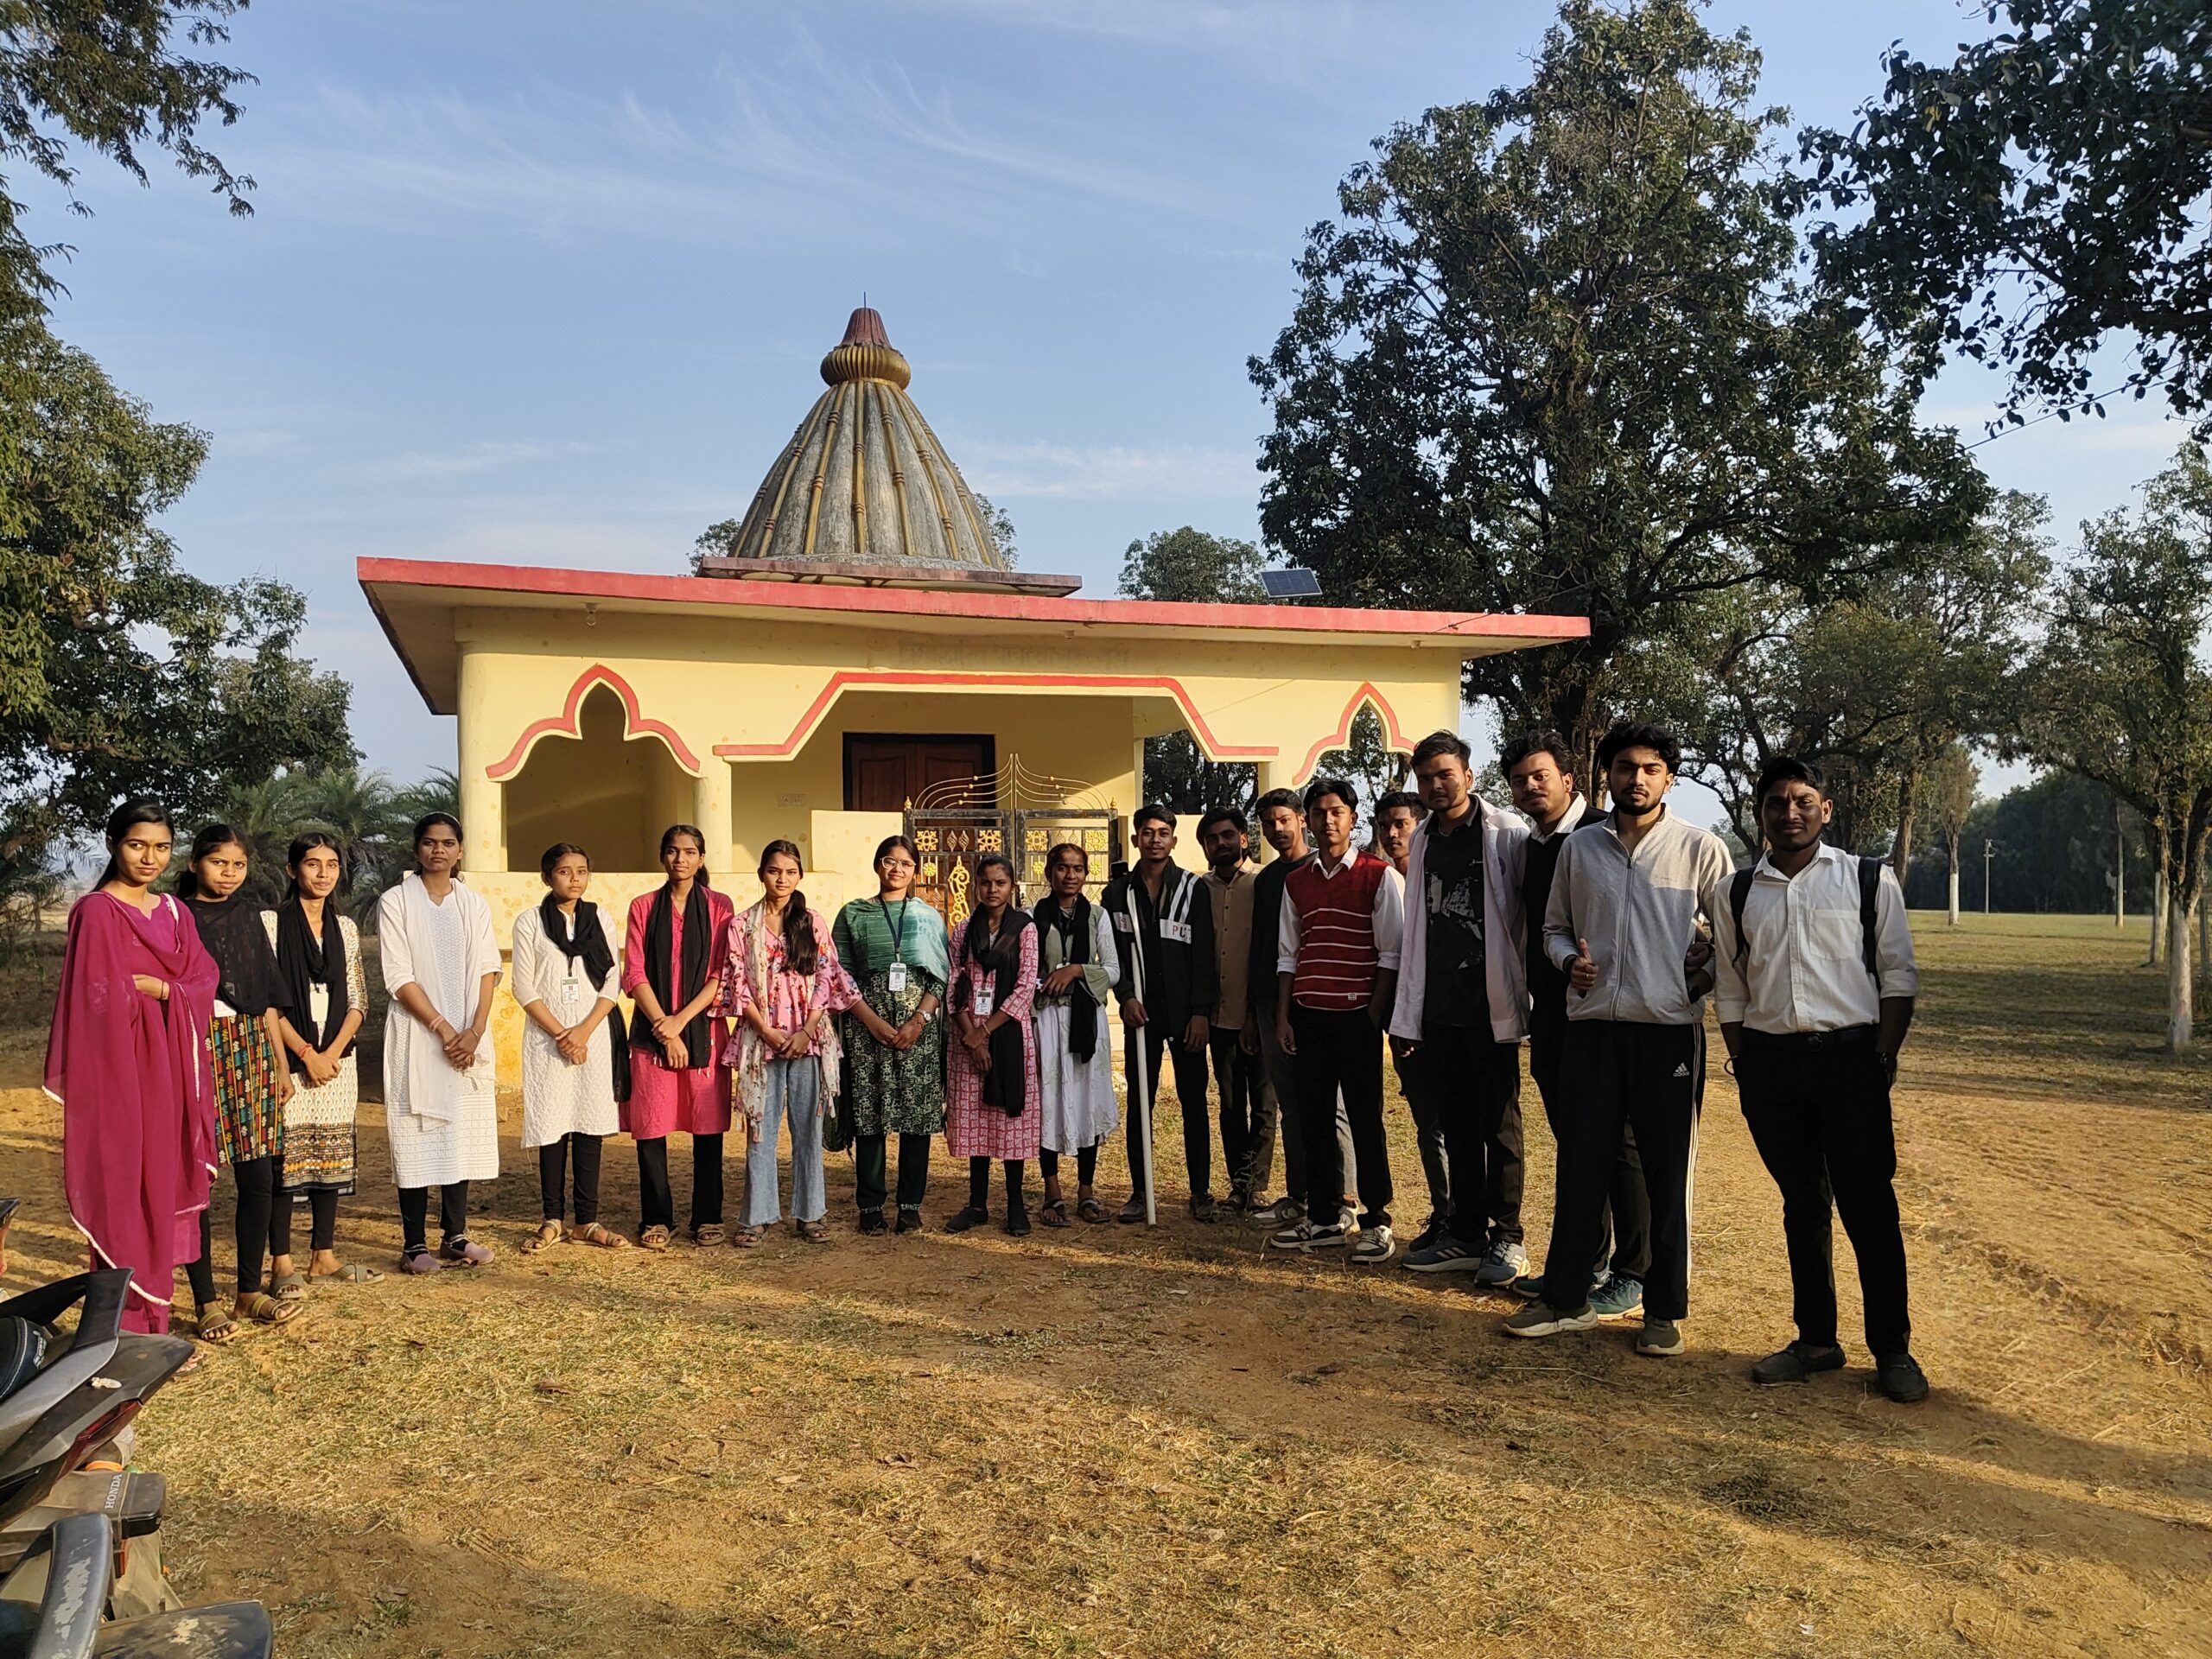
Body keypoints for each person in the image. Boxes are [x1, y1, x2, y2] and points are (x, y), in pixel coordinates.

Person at [1508, 721, 1732, 1357]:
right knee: (1582, 1167)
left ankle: (1663, 1310)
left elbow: (1734, 937)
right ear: (1605, 774)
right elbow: (1553, 928)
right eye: (1625, 767)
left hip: (1668, 1035)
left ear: (1669, 778)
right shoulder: (1581, 848)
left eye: (1651, 768)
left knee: (1666, 1174)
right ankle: (1567, 1300)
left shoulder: (1700, 848)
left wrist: (1698, 979)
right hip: (1593, 1031)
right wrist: (1566, 964)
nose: (1637, 779)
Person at [1714, 756, 1927, 1403]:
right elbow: (1731, 987)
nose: (1790, 812)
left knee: (1869, 1206)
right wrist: (1747, 1063)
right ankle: (1816, 1342)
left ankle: (1892, 1350)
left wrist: (1882, 1058)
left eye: (1803, 800)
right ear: (1760, 814)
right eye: (1776, 802)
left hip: (1851, 1062)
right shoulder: (1735, 891)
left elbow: (1898, 976)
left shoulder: (1867, 879)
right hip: (1772, 1067)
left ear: (1825, 809)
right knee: (1802, 1204)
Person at [46, 800, 218, 1335]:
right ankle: (126, 1329)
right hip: (121, 1071)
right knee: (124, 1184)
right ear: (113, 844)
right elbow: (90, 997)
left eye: (162, 847)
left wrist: (164, 990)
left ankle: (155, 1323)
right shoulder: (97, 911)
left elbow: (204, 979)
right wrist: (129, 993)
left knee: (162, 1181)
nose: (150, 858)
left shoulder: (176, 913)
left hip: (172, 1069)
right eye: (137, 845)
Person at [1502, 729, 1648, 1318]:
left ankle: (1634, 1271)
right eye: (1519, 780)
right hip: (1553, 1017)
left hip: (1607, 1017)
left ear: (1569, 779)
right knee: (1579, 1148)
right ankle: (1585, 1263)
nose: (1530, 787)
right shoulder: (1533, 845)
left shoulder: (1603, 835)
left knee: (1621, 1147)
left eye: (1540, 775)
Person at [1389, 737, 1536, 1286]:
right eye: (1425, 777)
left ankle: (1508, 1236)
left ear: (1469, 777)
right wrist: (1411, 1013)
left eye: (1445, 774)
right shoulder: (1424, 837)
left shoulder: (1505, 834)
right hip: (1439, 1008)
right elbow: (1418, 929)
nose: (1435, 785)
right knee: (1456, 1124)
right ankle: (1468, 1234)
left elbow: (1527, 914)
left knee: (1499, 1125)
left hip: (1489, 1004)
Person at [1269, 778, 1405, 1260]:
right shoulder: (1296, 881)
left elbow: (1390, 954)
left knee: (1365, 1120)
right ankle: (1325, 1217)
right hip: (1308, 1017)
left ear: (1352, 818)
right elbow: (1289, 954)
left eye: (1337, 812)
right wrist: (1284, 1017)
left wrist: (1372, 1015)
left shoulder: (1378, 876)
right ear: (1308, 819)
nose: (1328, 821)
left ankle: (1377, 1220)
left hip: (1356, 1020)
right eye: (1319, 813)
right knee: (1314, 1120)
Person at [178, 825, 301, 1337]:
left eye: (238, 865)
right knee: (197, 1181)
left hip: (251, 1047)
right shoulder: (175, 915)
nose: (229, 874)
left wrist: (280, 1065)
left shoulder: (248, 915)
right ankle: (206, 1301)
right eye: (218, 863)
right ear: (194, 864)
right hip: (194, 1047)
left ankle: (248, 1292)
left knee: (258, 1178)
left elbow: (266, 996)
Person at [378, 812, 503, 1274]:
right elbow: (398, 975)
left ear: (460, 850)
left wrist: (474, 1032)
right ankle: (414, 1245)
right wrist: (446, 1030)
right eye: (430, 843)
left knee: (458, 1136)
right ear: (417, 849)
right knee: (416, 1135)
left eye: (448, 843)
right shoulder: (396, 901)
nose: (439, 850)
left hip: (468, 1037)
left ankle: (455, 1235)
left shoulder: (473, 904)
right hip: (418, 1035)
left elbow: (489, 969)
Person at [264, 832, 378, 1284]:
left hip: (336, 1063)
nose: (324, 873)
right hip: (290, 1061)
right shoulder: (270, 924)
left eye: (332, 865)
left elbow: (359, 999)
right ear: (292, 870)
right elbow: (267, 1002)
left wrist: (330, 1054)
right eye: (313, 864)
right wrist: (306, 1053)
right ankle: (282, 1263)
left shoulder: (345, 928)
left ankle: (323, 1256)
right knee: (284, 1159)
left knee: (330, 1156)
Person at [1238, 788, 1357, 1227]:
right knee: (1291, 1103)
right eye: (1269, 823)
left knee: (1331, 1106)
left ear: (1301, 821)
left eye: (1284, 820)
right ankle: (1301, 1195)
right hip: (1272, 1003)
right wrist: (1254, 1012)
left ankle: (1344, 1198)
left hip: (1317, 1001)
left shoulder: (1321, 870)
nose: (1277, 829)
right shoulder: (1268, 879)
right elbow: (1263, 947)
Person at [729, 841, 855, 1246]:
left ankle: (811, 1214)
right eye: (773, 871)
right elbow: (737, 985)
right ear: (761, 874)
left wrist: (807, 1030)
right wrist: (767, 1031)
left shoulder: (812, 922)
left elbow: (826, 978)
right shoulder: (741, 926)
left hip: (808, 1042)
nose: (781, 879)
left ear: (799, 876)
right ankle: (757, 1216)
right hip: (761, 1041)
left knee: (808, 1130)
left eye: (789, 872)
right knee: (760, 1131)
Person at [1102, 806, 1217, 1223]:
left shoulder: (1192, 888)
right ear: (1136, 839)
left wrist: (1201, 1013)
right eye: (1148, 832)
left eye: (1163, 832)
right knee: (1140, 1102)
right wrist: (1125, 997)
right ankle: (1140, 1192)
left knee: (1194, 1103)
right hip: (1142, 1015)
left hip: (1186, 1015)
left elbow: (1204, 954)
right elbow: (1112, 953)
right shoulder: (1117, 894)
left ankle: (1200, 1192)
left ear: (1173, 840)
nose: (1155, 839)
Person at [622, 823, 734, 1250]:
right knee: (651, 1127)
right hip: (652, 1034)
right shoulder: (643, 907)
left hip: (703, 1030)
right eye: (672, 851)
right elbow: (635, 973)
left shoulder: (720, 906)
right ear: (662, 856)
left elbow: (720, 973)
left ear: (701, 858)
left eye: (689, 852)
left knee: (707, 1128)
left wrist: (680, 1022)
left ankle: (707, 1216)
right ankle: (656, 1217)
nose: (680, 859)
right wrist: (664, 1028)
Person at [513, 843, 628, 1253]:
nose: (575, 879)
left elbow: (612, 980)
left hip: (593, 1035)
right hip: (547, 1040)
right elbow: (523, 986)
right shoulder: (530, 922)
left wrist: (584, 1032)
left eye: (582, 870)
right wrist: (563, 1035)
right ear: (547, 877)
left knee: (589, 1124)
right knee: (552, 1125)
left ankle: (586, 1221)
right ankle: (552, 1219)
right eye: (565, 871)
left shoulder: (600, 919)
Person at [833, 835, 950, 1236]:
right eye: (889, 860)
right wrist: (871, 1021)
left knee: (916, 1118)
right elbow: (839, 976)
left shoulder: (928, 916)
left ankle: (910, 1206)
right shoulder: (853, 914)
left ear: (915, 870)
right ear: (877, 865)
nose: (896, 869)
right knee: (870, 1117)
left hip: (918, 1032)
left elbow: (941, 975)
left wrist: (918, 1020)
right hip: (868, 1030)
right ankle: (870, 1206)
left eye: (905, 863)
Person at [944, 854, 1040, 1236]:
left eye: (1000, 883)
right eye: (985, 883)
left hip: (1008, 1034)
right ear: (976, 887)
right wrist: (971, 1037)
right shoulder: (963, 931)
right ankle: (977, 1203)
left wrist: (984, 1033)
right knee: (976, 1120)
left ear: (1012, 886)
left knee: (1009, 1119)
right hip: (967, 1038)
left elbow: (1025, 988)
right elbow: (953, 982)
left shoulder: (1025, 930)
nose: (992, 890)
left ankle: (1016, 1204)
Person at [1371, 787, 1452, 1249]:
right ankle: (1444, 1213)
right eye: (1384, 826)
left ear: (1421, 827)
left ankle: (1467, 1219)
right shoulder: (1382, 881)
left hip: (1447, 1019)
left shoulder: (1438, 878)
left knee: (1456, 1123)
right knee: (1429, 1124)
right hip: (1403, 1026)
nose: (1393, 834)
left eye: (1401, 824)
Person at [1033, 842, 1121, 1226]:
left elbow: (1113, 969)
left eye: (1078, 868)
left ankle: (1086, 1191)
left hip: (1087, 1021)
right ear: (1049, 873)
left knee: (1087, 1100)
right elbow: (1025, 969)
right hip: (1047, 1019)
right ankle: (1052, 1192)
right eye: (1062, 868)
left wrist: (1075, 971)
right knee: (1048, 1102)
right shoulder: (1032, 917)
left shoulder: (1098, 916)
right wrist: (1047, 981)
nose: (1070, 875)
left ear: (1086, 874)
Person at [1198, 806, 1266, 1211]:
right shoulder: (1198, 889)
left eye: (1227, 835)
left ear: (1243, 838)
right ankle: (1238, 1186)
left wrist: (1257, 1013)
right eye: (1212, 839)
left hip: (1258, 1013)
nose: (1220, 844)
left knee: (1264, 1106)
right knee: (1229, 1104)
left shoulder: (1264, 883)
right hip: (1218, 1016)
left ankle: (1256, 1186)